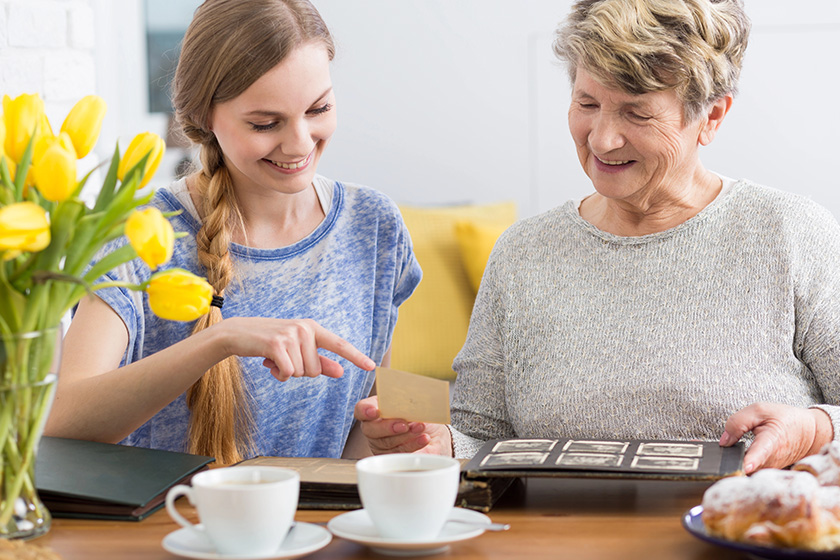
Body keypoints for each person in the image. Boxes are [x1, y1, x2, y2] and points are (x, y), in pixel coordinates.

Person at [356, 0, 840, 474]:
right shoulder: (524, 253)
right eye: (587, 103)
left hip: (741, 535)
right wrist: (438, 443)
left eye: (637, 113)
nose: (602, 139)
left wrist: (816, 428)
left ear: (710, 117)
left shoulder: (790, 233)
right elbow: (483, 438)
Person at [45, 0, 421, 465]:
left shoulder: (375, 226)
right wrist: (218, 340)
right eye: (266, 123)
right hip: (168, 530)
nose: (300, 143)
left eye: (318, 108)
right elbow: (61, 421)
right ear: (205, 118)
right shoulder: (140, 234)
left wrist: (395, 432)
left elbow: (359, 436)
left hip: (315, 530)